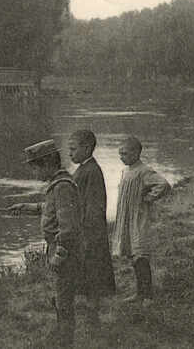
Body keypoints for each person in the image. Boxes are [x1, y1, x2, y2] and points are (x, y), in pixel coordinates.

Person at [8, 140, 80, 345]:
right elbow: (49, 208)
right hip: (59, 250)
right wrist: (26, 207)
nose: (34, 174)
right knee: (60, 295)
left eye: (35, 168)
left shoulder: (62, 187)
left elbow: (69, 227)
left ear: (47, 164)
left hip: (65, 252)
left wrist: (59, 256)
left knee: (64, 298)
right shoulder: (57, 185)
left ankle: (65, 340)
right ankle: (62, 333)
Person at [113, 136, 171, 305]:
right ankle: (139, 292)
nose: (121, 157)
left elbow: (163, 184)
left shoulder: (144, 171)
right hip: (127, 219)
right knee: (133, 254)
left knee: (140, 254)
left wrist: (148, 198)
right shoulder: (125, 171)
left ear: (136, 153)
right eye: (120, 154)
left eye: (124, 153)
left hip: (139, 218)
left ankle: (147, 295)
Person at [67, 130, 116, 329]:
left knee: (93, 270)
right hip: (85, 230)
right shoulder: (84, 169)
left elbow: (94, 207)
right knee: (87, 271)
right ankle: (90, 311)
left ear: (87, 149)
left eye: (73, 149)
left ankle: (93, 314)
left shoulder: (92, 171)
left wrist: (87, 233)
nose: (70, 153)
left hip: (91, 233)